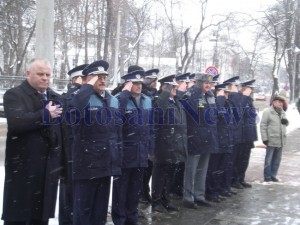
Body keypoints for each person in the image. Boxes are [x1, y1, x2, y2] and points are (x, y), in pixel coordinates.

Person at [2, 58, 64, 225]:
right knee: (19, 217)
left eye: (48, 74)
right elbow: (17, 122)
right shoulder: (14, 95)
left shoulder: (54, 96)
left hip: (48, 168)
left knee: (41, 217)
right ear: (28, 73)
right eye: (40, 74)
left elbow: (61, 132)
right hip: (23, 168)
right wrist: (45, 115)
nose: (45, 78)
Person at [71, 60, 122, 225]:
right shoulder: (80, 97)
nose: (102, 80)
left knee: (99, 213)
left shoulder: (112, 100)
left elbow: (116, 132)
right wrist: (87, 86)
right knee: (83, 213)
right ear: (86, 80)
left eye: (104, 76)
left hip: (105, 165)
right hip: (87, 165)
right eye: (97, 77)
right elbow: (73, 110)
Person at [112, 69, 153, 225]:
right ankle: (120, 219)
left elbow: (151, 127)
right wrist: (124, 94)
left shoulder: (146, 100)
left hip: (141, 152)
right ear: (127, 84)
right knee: (120, 190)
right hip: (124, 152)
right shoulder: (119, 99)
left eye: (140, 83)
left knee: (134, 190)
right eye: (134, 83)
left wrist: (150, 148)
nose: (138, 86)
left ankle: (132, 217)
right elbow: (116, 121)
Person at [151, 74, 188, 213]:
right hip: (163, 144)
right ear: (164, 87)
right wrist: (165, 93)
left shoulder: (176, 101)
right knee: (160, 175)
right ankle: (156, 201)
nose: (175, 88)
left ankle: (165, 200)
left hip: (176, 144)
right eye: (172, 86)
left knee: (169, 174)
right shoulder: (159, 101)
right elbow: (159, 117)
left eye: (175, 86)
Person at [181, 73, 218, 209]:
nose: (208, 85)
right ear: (198, 83)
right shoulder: (191, 95)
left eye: (210, 83)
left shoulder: (210, 96)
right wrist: (196, 91)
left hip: (207, 138)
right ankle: (188, 198)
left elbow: (213, 117)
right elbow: (192, 112)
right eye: (205, 83)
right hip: (195, 138)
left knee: (202, 170)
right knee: (191, 171)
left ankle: (199, 195)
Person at [59, 64, 88, 225]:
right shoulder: (68, 97)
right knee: (68, 192)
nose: (87, 82)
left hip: (83, 151)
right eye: (83, 79)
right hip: (69, 151)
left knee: (80, 194)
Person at [139, 68, 159, 204]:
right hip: (144, 134)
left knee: (149, 168)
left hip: (152, 134)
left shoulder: (154, 95)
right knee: (144, 169)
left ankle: (145, 192)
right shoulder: (144, 95)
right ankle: (142, 193)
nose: (155, 84)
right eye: (153, 81)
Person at [260, 94, 289, 182]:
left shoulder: (282, 111)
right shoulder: (267, 112)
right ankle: (267, 176)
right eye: (279, 102)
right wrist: (265, 138)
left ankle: (273, 175)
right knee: (268, 160)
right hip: (271, 139)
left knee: (277, 160)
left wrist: (286, 122)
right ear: (274, 102)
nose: (280, 104)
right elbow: (263, 126)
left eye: (281, 102)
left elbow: (285, 124)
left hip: (280, 140)